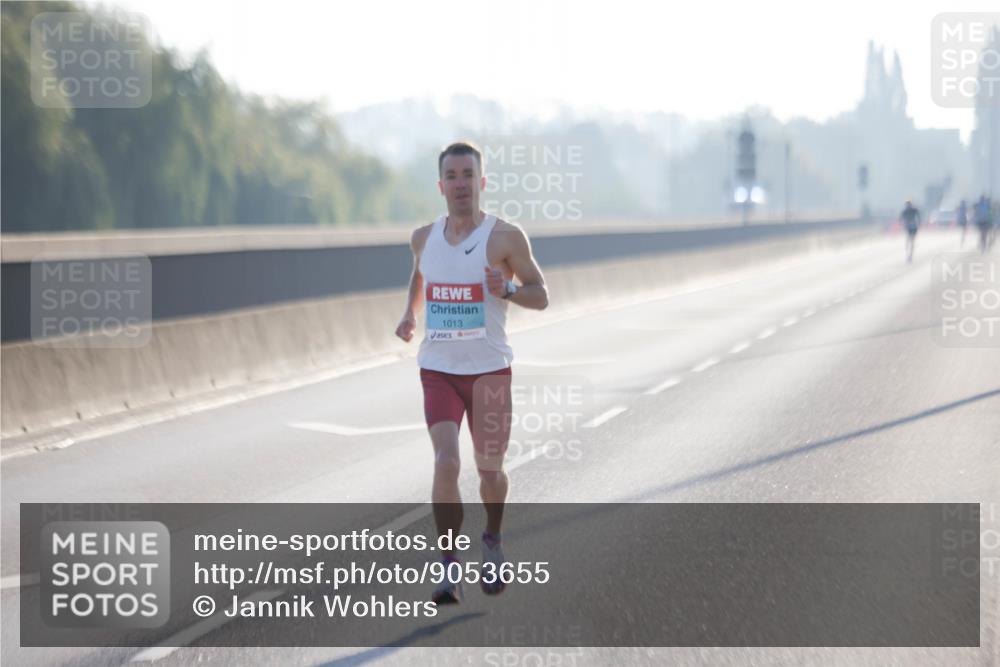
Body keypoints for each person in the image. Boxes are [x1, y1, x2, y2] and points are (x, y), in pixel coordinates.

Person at [394, 141, 549, 604]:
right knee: (446, 462)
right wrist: (409, 314)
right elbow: (420, 275)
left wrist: (509, 290)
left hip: (490, 372)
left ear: (482, 183)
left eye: (468, 175)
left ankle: (494, 541)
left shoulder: (505, 238)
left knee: (489, 472)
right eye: (452, 176)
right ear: (440, 185)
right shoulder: (423, 237)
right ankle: (448, 568)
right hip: (438, 369)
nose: (460, 184)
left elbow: (541, 293)